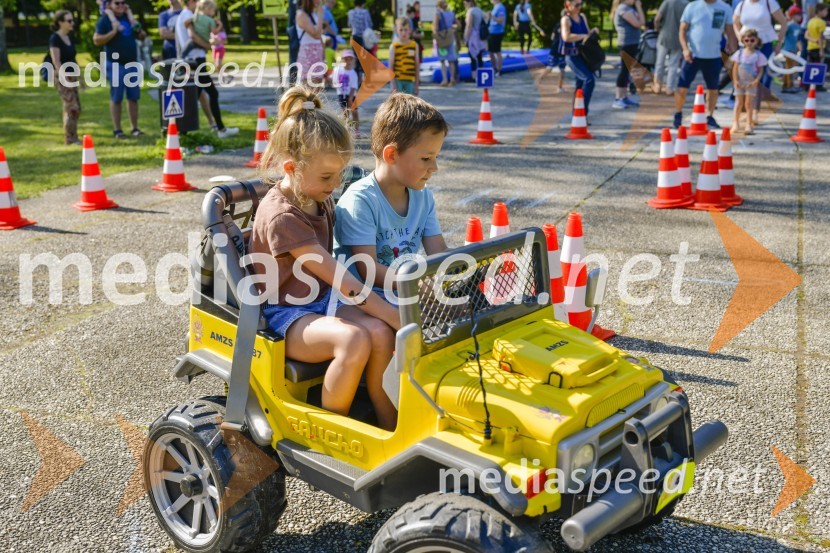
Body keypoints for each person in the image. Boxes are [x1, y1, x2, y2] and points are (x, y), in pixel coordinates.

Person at [251, 87, 400, 431]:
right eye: (326, 177)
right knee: (355, 339)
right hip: (283, 313)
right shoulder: (282, 217)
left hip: (317, 301)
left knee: (379, 333)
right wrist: (396, 315)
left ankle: (388, 424)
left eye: (339, 175)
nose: (335, 185)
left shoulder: (316, 196)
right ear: (291, 167)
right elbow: (346, 284)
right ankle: (332, 432)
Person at [334, 93, 449, 308]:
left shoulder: (423, 196)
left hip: (402, 290)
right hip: (363, 299)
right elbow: (369, 271)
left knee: (466, 309)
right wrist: (418, 283)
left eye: (435, 158)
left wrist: (469, 267)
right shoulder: (361, 200)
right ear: (392, 155)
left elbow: (439, 254)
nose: (434, 168)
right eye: (426, 158)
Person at [176, 0, 239, 137]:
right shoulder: (188, 14)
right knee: (208, 94)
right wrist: (207, 45)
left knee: (196, 94)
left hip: (193, 59)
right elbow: (192, 36)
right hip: (196, 59)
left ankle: (182, 130)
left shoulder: (185, 15)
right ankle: (219, 129)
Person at [672, 0, 738, 129]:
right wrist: (685, 49)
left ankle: (709, 116)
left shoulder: (724, 8)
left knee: (713, 88)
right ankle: (678, 113)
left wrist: (734, 52)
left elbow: (730, 32)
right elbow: (682, 30)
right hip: (693, 54)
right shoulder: (692, 6)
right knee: (682, 86)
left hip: (713, 55)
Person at [93, 0, 144, 139]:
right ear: (109, 5)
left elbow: (142, 36)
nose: (121, 5)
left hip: (132, 63)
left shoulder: (129, 18)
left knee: (133, 97)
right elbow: (97, 40)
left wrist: (138, 29)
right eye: (117, 3)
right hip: (115, 64)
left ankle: (134, 128)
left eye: (123, 2)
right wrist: (113, 32)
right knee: (117, 98)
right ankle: (118, 130)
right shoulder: (105, 20)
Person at [732, 0, 786, 113]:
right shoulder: (742, 4)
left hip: (765, 42)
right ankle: (744, 104)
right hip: (747, 43)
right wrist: (739, 37)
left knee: (763, 74)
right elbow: (735, 22)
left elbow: (783, 22)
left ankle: (757, 105)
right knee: (744, 73)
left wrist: (779, 43)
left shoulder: (769, 3)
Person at [47, 10, 81, 145]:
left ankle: (73, 135)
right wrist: (64, 78)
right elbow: (56, 61)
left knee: (76, 108)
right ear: (60, 22)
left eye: (72, 20)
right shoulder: (55, 38)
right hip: (61, 75)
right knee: (72, 107)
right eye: (69, 21)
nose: (72, 23)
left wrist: (81, 78)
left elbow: (73, 59)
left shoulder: (69, 37)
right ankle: (70, 138)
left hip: (72, 75)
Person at [560, 0, 599, 115]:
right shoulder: (566, 19)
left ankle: (577, 114)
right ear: (568, 5)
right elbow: (566, 37)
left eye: (581, 4)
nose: (579, 7)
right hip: (572, 56)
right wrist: (583, 36)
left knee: (580, 85)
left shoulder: (582, 17)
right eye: (576, 5)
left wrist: (593, 32)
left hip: (584, 55)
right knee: (589, 79)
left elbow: (587, 33)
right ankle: (582, 112)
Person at [730, 27, 767, 133]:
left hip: (751, 82)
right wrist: (735, 80)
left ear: (756, 41)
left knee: (749, 103)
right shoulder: (739, 53)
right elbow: (735, 68)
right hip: (740, 82)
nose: (749, 43)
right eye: (747, 40)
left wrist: (756, 81)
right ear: (743, 41)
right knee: (738, 103)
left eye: (752, 40)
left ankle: (748, 123)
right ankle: (735, 123)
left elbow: (760, 70)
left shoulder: (758, 55)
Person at [612, 0, 646, 108]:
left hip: (632, 43)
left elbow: (642, 22)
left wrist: (637, 8)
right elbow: (638, 23)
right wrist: (639, 7)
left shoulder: (629, 8)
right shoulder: (623, 9)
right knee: (623, 71)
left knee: (627, 72)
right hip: (626, 43)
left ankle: (624, 97)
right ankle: (618, 98)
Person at [654, 0, 687, 95]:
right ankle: (670, 87)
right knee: (673, 64)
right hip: (678, 37)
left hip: (664, 36)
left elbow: (657, 18)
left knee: (660, 62)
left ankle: (658, 85)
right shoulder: (686, 4)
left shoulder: (667, 2)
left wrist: (657, 28)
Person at [296, 0, 327, 84]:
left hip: (317, 53)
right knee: (308, 87)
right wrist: (320, 14)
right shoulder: (301, 14)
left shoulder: (313, 14)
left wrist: (323, 52)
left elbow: (319, 36)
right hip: (308, 54)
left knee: (318, 87)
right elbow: (316, 35)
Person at [389, 18, 420, 95]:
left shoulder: (414, 45)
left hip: (410, 81)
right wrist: (393, 85)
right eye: (401, 30)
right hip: (397, 80)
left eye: (406, 30)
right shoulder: (394, 46)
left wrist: (416, 85)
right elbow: (391, 67)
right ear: (396, 31)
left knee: (410, 105)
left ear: (410, 30)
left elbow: (417, 65)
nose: (403, 33)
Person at [333, 49, 360, 135]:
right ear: (342, 60)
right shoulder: (338, 70)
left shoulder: (353, 73)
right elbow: (333, 79)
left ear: (353, 61)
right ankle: (346, 129)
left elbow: (354, 87)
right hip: (342, 94)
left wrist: (351, 98)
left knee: (354, 112)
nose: (348, 61)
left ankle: (356, 129)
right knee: (345, 113)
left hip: (352, 95)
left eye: (350, 59)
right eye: (346, 59)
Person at [434, 0, 459, 86]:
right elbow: (458, 24)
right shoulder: (451, 13)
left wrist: (435, 37)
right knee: (451, 60)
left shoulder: (438, 14)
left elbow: (435, 27)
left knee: (442, 60)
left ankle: (444, 80)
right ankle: (452, 79)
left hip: (442, 38)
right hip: (450, 37)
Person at [464, 0, 488, 78]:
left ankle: (474, 76)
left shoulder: (470, 12)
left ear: (469, 2)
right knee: (479, 56)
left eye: (465, 3)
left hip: (473, 36)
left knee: (472, 56)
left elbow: (469, 26)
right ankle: (481, 76)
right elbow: (486, 19)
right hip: (480, 35)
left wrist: (466, 38)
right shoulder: (479, 10)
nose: (465, 4)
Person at [781, 6, 803, 92]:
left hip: (794, 49)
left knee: (792, 68)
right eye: (798, 15)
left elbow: (797, 39)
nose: (800, 17)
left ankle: (789, 84)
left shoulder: (798, 26)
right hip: (788, 49)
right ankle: (788, 85)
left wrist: (799, 48)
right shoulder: (789, 25)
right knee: (789, 68)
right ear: (793, 15)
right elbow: (783, 34)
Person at [547, 13, 567, 90]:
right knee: (550, 68)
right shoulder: (564, 25)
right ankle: (538, 80)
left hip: (560, 50)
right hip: (557, 50)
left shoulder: (558, 25)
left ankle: (560, 87)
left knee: (562, 70)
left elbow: (552, 37)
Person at [489, 0, 507, 75]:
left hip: (497, 32)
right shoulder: (495, 7)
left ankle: (499, 70)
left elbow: (501, 19)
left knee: (497, 51)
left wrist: (492, 16)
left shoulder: (500, 7)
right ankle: (494, 68)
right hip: (492, 31)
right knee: (490, 51)